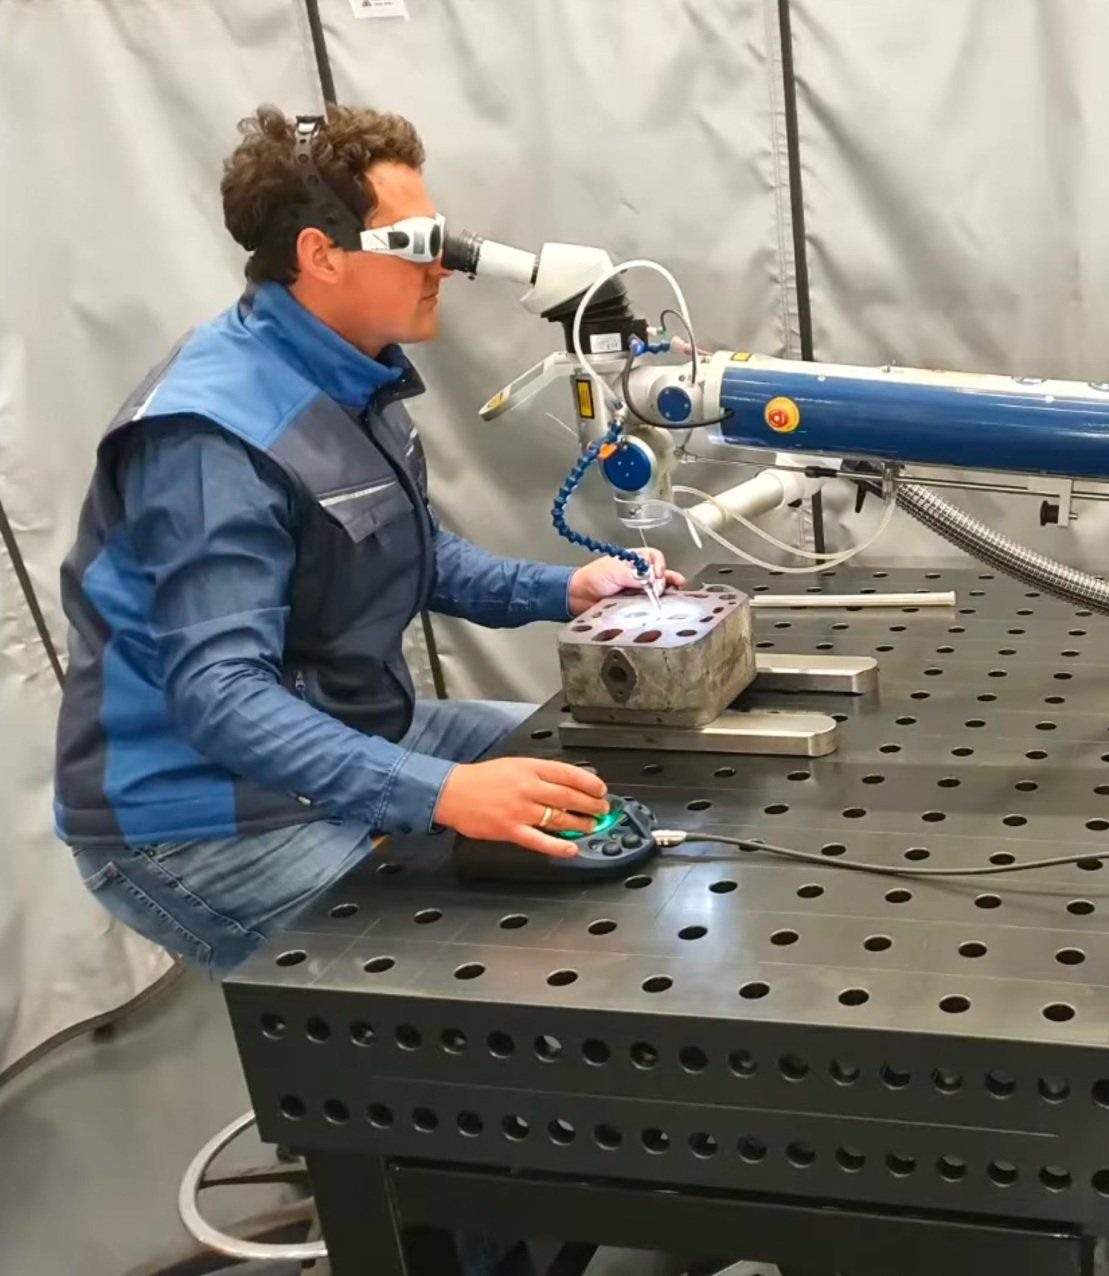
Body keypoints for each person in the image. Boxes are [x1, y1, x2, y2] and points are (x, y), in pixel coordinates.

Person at [53, 104, 681, 979]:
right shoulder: (210, 437)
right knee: (460, 978)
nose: (444, 267)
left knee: (585, 774)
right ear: (322, 254)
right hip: (199, 811)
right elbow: (220, 696)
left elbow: (408, 548)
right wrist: (445, 793)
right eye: (418, 243)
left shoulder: (350, 374)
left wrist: (566, 589)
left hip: (333, 732)